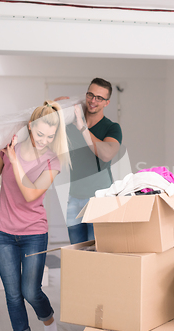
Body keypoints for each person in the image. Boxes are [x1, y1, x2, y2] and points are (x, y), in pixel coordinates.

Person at [0, 101, 70, 331]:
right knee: (12, 295)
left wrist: (14, 162)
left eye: (50, 137)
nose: (43, 140)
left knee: (31, 291)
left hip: (33, 233)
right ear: (30, 127)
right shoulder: (11, 148)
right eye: (40, 133)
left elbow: (30, 194)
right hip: (3, 232)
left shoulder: (52, 161)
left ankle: (49, 322)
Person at [55, 78, 122, 244]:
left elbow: (106, 154)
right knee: (76, 252)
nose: (93, 101)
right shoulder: (71, 122)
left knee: (95, 253)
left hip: (99, 200)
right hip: (74, 198)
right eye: (90, 95)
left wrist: (83, 128)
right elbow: (50, 110)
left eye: (99, 98)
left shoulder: (112, 127)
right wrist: (65, 103)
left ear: (107, 103)